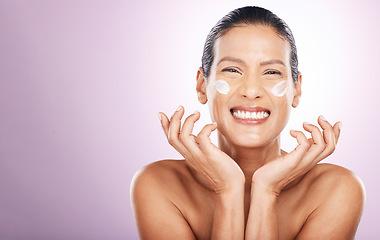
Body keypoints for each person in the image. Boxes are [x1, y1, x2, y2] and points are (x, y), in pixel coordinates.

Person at [131, 6, 365, 240]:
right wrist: (228, 189)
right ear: (202, 85)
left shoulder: (336, 190)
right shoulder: (159, 185)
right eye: (232, 70)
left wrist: (266, 190)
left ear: (296, 89)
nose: (251, 91)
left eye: (271, 72)